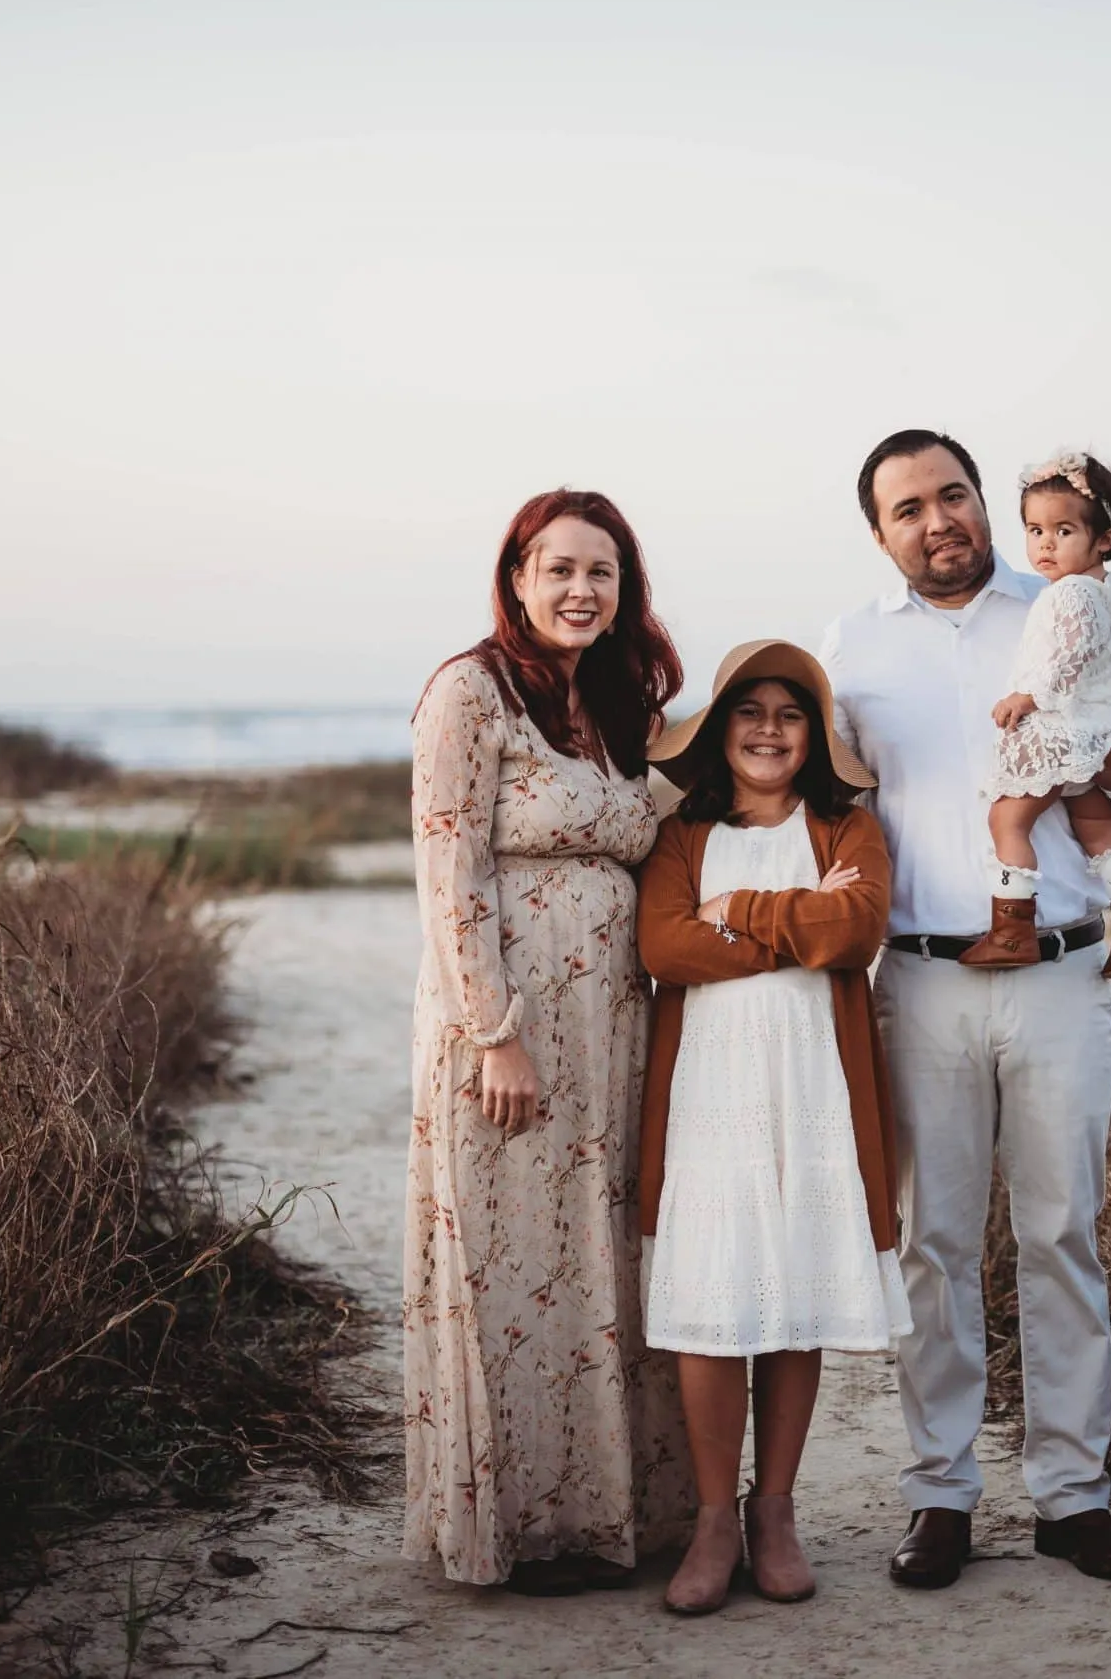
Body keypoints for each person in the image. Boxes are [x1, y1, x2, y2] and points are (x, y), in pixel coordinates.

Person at [818, 429, 1111, 1590]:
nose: (938, 520)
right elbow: (816, 794)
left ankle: (1073, 1497)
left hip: (1061, 974)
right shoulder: (851, 648)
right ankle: (939, 1494)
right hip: (919, 980)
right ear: (879, 531)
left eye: (953, 495)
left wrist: (1090, 759)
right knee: (933, 1245)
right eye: (907, 508)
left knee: (1062, 1235)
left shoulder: (1069, 606)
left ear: (983, 502)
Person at [403, 488, 694, 1595]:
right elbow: (450, 868)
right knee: (511, 1258)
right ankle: (519, 1524)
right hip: (511, 1027)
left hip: (612, 1025)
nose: (581, 590)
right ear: (516, 576)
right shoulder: (467, 692)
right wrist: (494, 1032)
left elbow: (659, 816)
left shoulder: (612, 706)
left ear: (625, 592)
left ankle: (611, 1514)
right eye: (560, 568)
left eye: (602, 573)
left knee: (599, 1253)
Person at [632, 641, 908, 1615]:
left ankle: (774, 1510)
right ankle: (713, 1517)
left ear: (813, 734)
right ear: (718, 730)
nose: (767, 728)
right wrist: (796, 924)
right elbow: (662, 942)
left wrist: (738, 912)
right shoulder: (683, 835)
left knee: (795, 1288)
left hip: (816, 1089)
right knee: (713, 1295)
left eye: (789, 712)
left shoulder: (846, 827)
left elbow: (858, 928)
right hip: (709, 1089)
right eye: (747, 710)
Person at [964, 449, 1111, 977]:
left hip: (1060, 729)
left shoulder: (1069, 594)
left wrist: (1028, 697)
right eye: (1034, 531)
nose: (1045, 545)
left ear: (1105, 538)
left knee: (1007, 818)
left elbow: (1067, 654)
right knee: (1101, 832)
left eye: (1062, 531)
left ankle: (1011, 930)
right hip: (1107, 730)